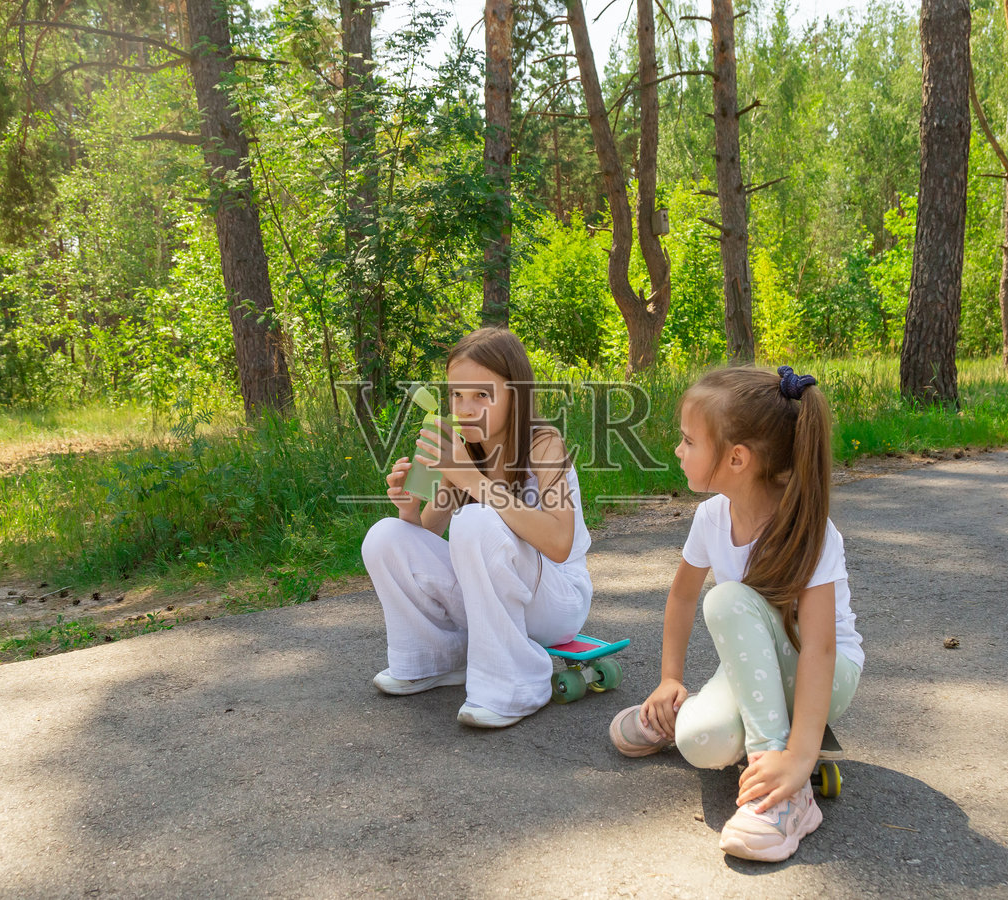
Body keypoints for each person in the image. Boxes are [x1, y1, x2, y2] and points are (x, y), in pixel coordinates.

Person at [607, 365, 862, 862]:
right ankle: (681, 711)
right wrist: (668, 679)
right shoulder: (710, 518)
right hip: (761, 669)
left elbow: (822, 649)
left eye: (687, 441)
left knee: (725, 598)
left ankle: (787, 796)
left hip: (827, 675)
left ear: (737, 458)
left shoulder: (809, 528)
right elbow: (680, 597)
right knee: (700, 743)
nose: (678, 451)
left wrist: (798, 757)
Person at [360, 328, 593, 728]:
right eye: (456, 395)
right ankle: (435, 658)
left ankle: (516, 686)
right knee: (386, 537)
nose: (465, 409)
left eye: (482, 395)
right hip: (488, 598)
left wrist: (476, 483)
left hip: (557, 601)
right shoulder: (464, 452)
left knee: (479, 517)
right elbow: (428, 542)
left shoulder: (543, 445)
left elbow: (559, 544)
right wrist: (409, 510)